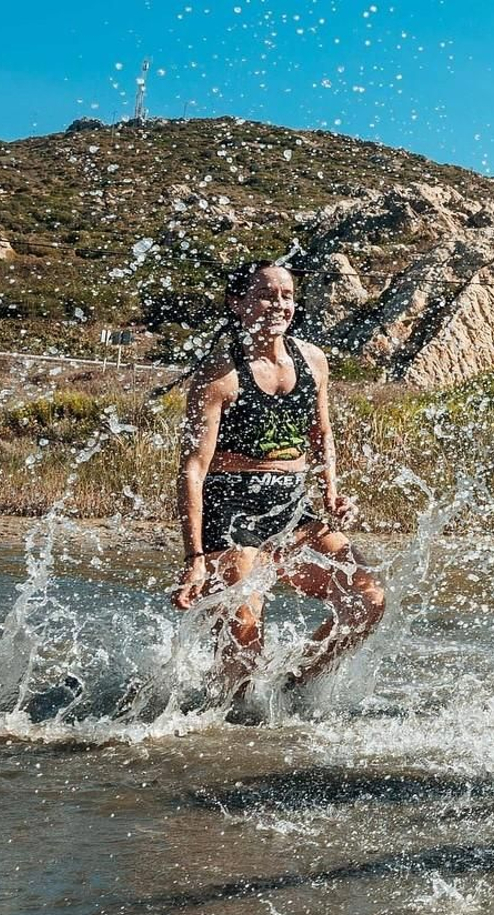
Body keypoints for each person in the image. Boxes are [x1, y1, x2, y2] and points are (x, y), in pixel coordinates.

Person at [173, 261, 385, 720]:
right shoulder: (219, 373)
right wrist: (194, 560)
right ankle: (222, 723)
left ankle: (293, 685)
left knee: (367, 600)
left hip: (292, 511)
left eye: (287, 295)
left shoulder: (312, 360)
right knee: (244, 647)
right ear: (238, 302)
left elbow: (321, 434)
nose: (280, 305)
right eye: (267, 295)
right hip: (231, 516)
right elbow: (192, 469)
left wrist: (331, 493)